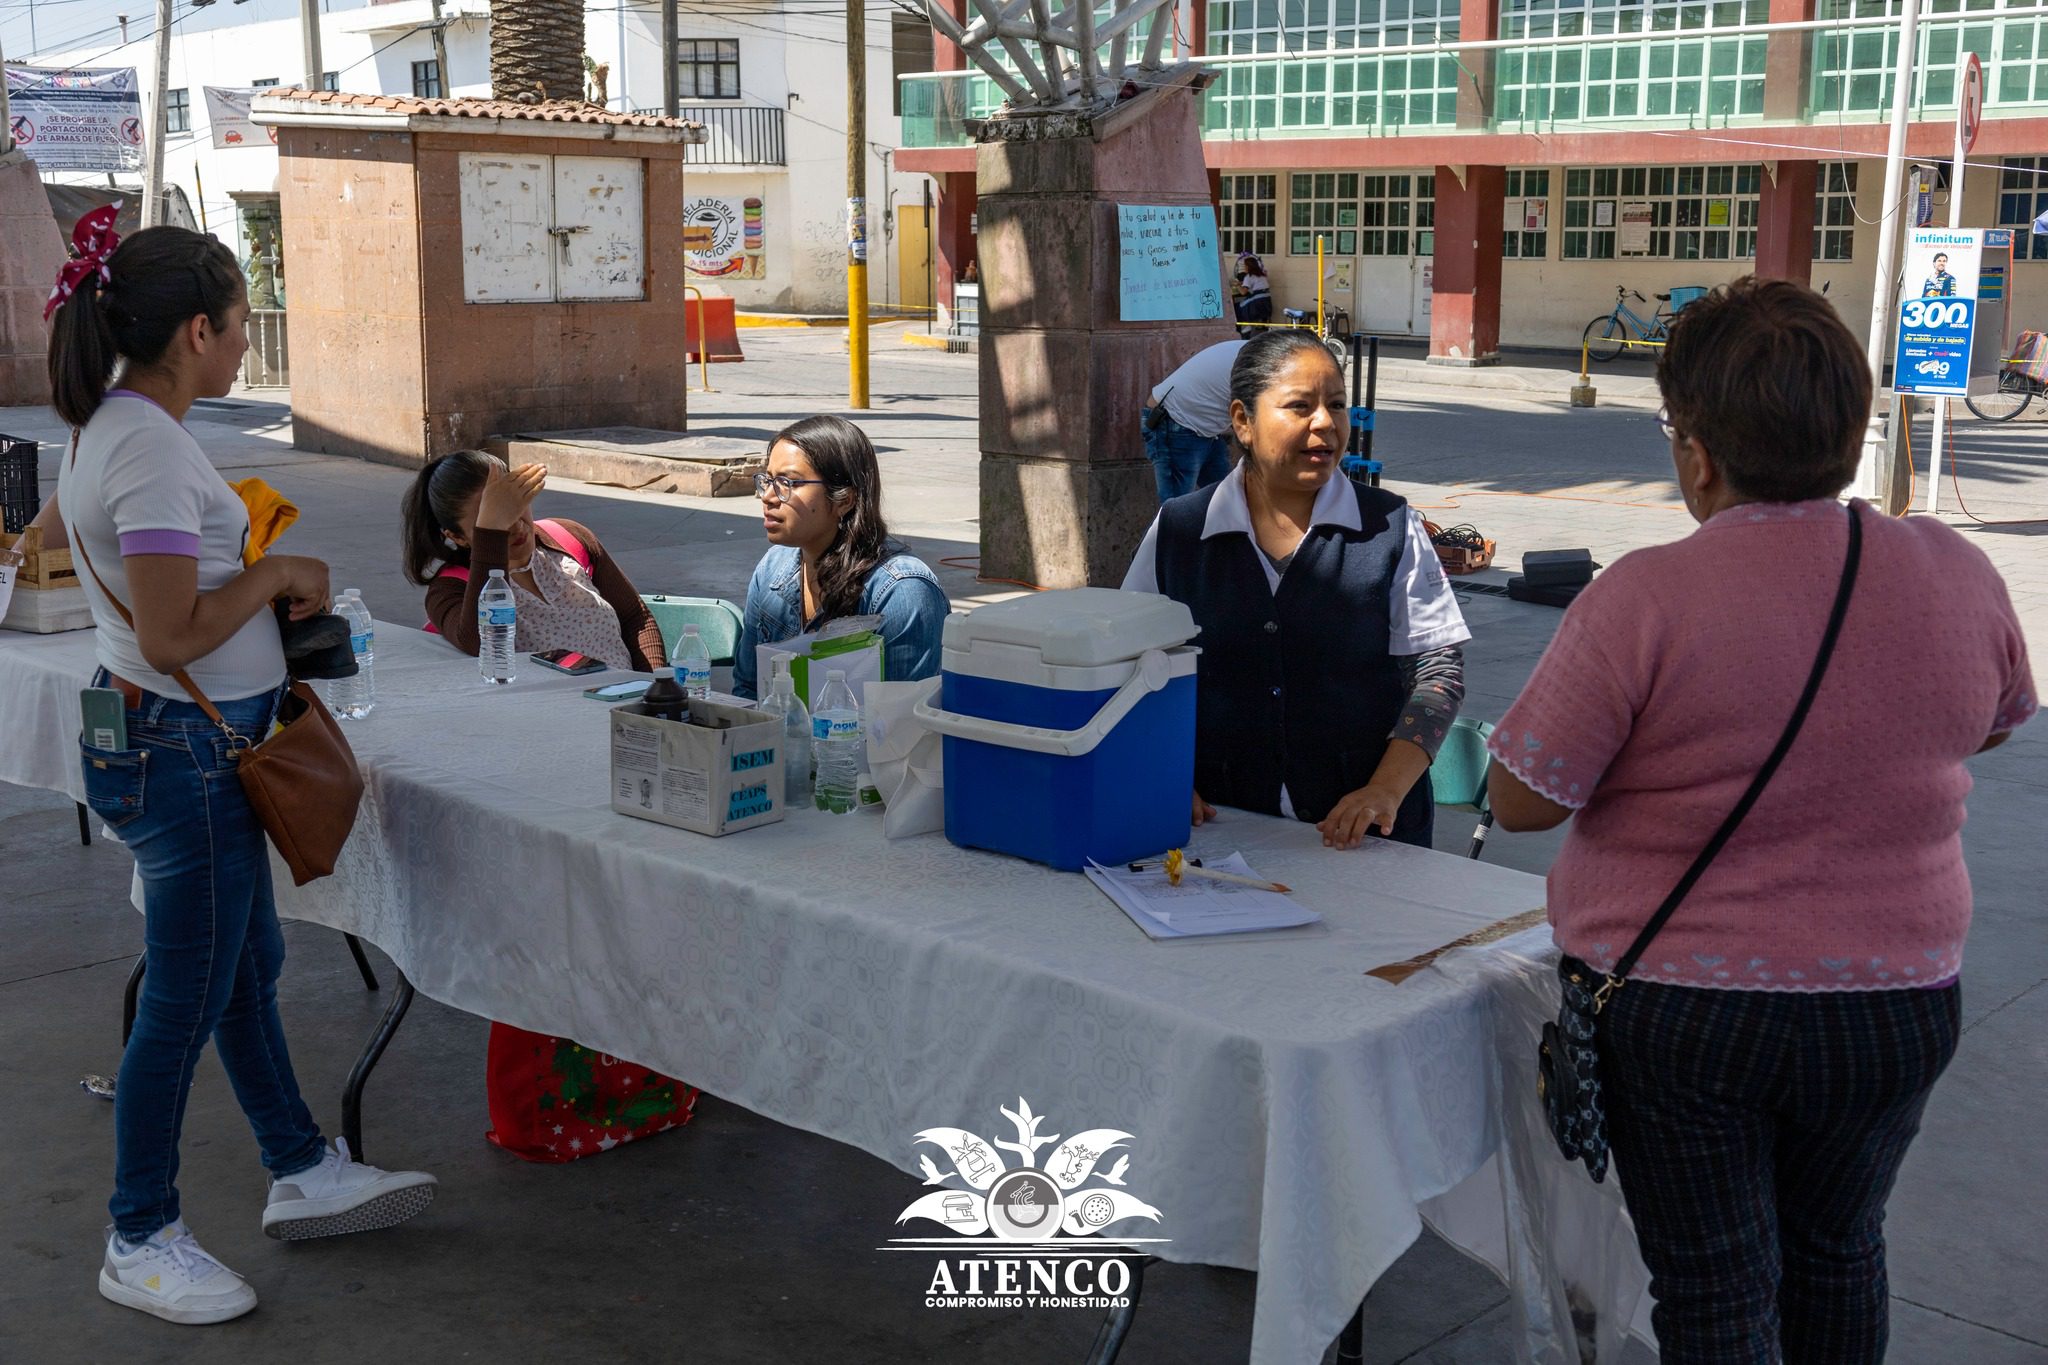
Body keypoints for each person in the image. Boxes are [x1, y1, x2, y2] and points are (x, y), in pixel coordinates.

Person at [1486, 278, 2035, 1365]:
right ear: (1845, 429)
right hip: (1897, 998)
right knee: (1837, 1249)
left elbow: (1521, 800)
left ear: (1695, 451)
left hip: (1687, 1016)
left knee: (1715, 1284)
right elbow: (1993, 725)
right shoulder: (1953, 570)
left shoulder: (1644, 595)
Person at [48, 223, 437, 1327]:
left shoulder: (116, 429)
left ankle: (301, 1164)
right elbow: (173, 632)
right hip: (183, 745)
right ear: (198, 329)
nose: (242, 348)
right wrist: (270, 571)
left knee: (241, 962)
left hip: (170, 738)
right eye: (235, 323)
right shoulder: (149, 448)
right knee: (184, 997)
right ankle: (139, 1233)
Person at [1122, 329, 1471, 850]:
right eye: (1300, 406)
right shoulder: (1179, 530)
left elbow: (1438, 670)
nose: (1326, 424)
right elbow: (1124, 663)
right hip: (1223, 828)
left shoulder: (1390, 526)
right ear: (1242, 421)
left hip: (1365, 837)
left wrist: (1384, 789)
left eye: (1336, 405)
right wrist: (1160, 770)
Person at [731, 414, 949, 701]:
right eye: (768, 480)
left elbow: (902, 726)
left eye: (789, 482)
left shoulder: (903, 590)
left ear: (844, 499)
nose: (768, 496)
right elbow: (748, 692)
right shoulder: (773, 568)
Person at [402, 450, 666, 671]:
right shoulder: (449, 590)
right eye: (496, 517)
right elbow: (480, 643)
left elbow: (635, 617)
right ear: (457, 537)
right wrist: (491, 534)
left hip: (627, 712)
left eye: (517, 505)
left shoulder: (569, 538)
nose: (516, 525)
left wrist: (654, 688)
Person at [1142, 339, 1245, 503]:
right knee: (1177, 510)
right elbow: (1252, 421)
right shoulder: (1261, 363)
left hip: (1205, 428)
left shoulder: (1264, 354)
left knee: (1225, 504)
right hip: (1174, 420)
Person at [1233, 252, 1272, 334]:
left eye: (1245, 266)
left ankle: (1245, 325)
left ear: (1248, 266)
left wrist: (1237, 285)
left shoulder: (1249, 276)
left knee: (1236, 307)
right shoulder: (1262, 275)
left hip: (1257, 301)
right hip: (1266, 300)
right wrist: (1242, 283)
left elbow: (1243, 292)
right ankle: (1249, 325)